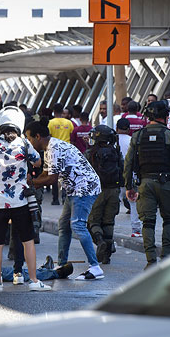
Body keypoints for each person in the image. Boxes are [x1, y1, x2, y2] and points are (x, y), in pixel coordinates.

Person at [0, 106, 49, 291]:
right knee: (27, 241)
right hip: (19, 201)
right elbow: (37, 161)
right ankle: (34, 281)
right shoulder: (24, 143)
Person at [25, 121, 104, 281]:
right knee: (64, 225)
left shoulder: (54, 149)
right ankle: (61, 264)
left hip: (84, 188)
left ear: (38, 136)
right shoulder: (50, 147)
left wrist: (31, 183)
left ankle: (95, 267)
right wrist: (32, 183)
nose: (29, 143)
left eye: (29, 138)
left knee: (77, 224)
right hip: (75, 189)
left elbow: (51, 179)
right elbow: (46, 173)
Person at [123, 100, 170, 270]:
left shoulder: (138, 136)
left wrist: (129, 186)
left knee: (148, 223)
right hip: (166, 184)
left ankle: (151, 261)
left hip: (145, 184)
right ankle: (166, 258)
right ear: (165, 116)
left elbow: (128, 162)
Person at [85, 125, 124, 264]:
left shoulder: (90, 153)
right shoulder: (115, 152)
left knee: (93, 221)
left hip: (97, 191)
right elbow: (122, 169)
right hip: (113, 191)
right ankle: (106, 255)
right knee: (109, 222)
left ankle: (100, 241)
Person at [116, 118, 141, 237]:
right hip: (129, 176)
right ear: (129, 129)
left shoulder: (113, 141)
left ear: (117, 128)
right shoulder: (132, 140)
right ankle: (136, 230)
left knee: (112, 202)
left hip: (115, 176)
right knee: (133, 202)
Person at [47, 103, 74, 205]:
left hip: (55, 151)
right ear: (62, 111)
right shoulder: (68, 123)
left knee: (54, 176)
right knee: (65, 175)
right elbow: (71, 135)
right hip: (66, 151)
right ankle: (64, 196)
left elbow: (48, 136)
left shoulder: (50, 123)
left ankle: (55, 199)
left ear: (54, 111)